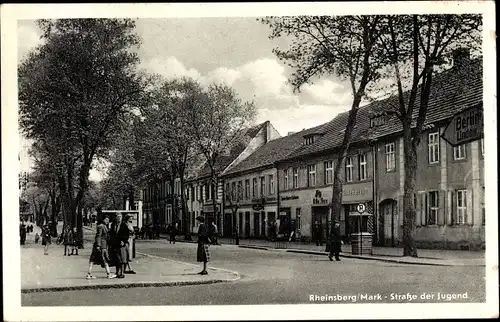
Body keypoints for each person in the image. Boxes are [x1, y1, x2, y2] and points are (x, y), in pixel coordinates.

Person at [109, 213, 130, 278]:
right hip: (115, 244)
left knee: (122, 259)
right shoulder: (113, 225)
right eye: (118, 217)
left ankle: (122, 273)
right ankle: (117, 272)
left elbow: (127, 234)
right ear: (116, 218)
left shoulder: (124, 225)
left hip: (121, 244)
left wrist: (124, 241)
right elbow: (111, 234)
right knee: (116, 259)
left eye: (120, 217)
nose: (119, 218)